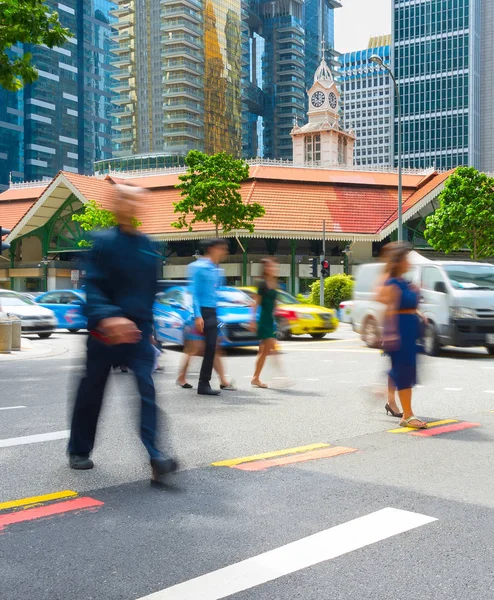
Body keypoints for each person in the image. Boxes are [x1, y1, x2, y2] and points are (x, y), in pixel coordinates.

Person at [68, 183, 178, 483]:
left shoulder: (148, 247)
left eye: (135, 200)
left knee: (147, 391)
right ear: (115, 205)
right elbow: (92, 285)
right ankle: (79, 449)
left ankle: (156, 456)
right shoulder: (101, 241)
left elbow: (148, 293)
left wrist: (151, 330)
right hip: (105, 333)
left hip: (138, 333)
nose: (130, 205)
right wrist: (109, 317)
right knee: (92, 391)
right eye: (124, 199)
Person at [379, 243, 426, 429]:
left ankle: (405, 411)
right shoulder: (392, 283)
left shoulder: (404, 282)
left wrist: (420, 315)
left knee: (406, 372)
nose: (409, 261)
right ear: (398, 262)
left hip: (409, 331)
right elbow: (390, 311)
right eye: (406, 258)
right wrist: (390, 335)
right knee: (404, 372)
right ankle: (407, 415)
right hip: (400, 332)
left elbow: (409, 306)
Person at [187, 239, 229, 395]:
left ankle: (203, 384)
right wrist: (198, 316)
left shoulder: (217, 270)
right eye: (221, 248)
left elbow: (218, 293)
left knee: (211, 348)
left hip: (213, 312)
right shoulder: (198, 268)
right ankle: (200, 383)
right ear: (212, 249)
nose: (224, 251)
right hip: (203, 312)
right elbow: (195, 293)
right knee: (198, 348)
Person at [250, 258, 279, 388]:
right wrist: (252, 320)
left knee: (264, 351)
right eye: (270, 267)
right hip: (263, 320)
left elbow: (274, 303)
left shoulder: (274, 282)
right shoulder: (262, 283)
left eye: (274, 266)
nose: (273, 269)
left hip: (270, 319)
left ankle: (256, 378)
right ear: (266, 269)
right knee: (266, 350)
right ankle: (256, 378)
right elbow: (255, 302)